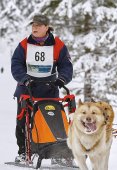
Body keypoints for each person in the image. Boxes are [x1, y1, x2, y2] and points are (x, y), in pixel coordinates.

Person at [11, 14, 73, 163]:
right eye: (33, 25)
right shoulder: (24, 44)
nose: (35, 28)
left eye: (39, 25)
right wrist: (24, 78)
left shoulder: (58, 44)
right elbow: (16, 64)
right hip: (27, 88)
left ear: (47, 27)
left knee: (54, 120)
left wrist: (62, 79)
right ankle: (24, 152)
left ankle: (59, 153)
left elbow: (66, 65)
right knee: (22, 122)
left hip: (49, 88)